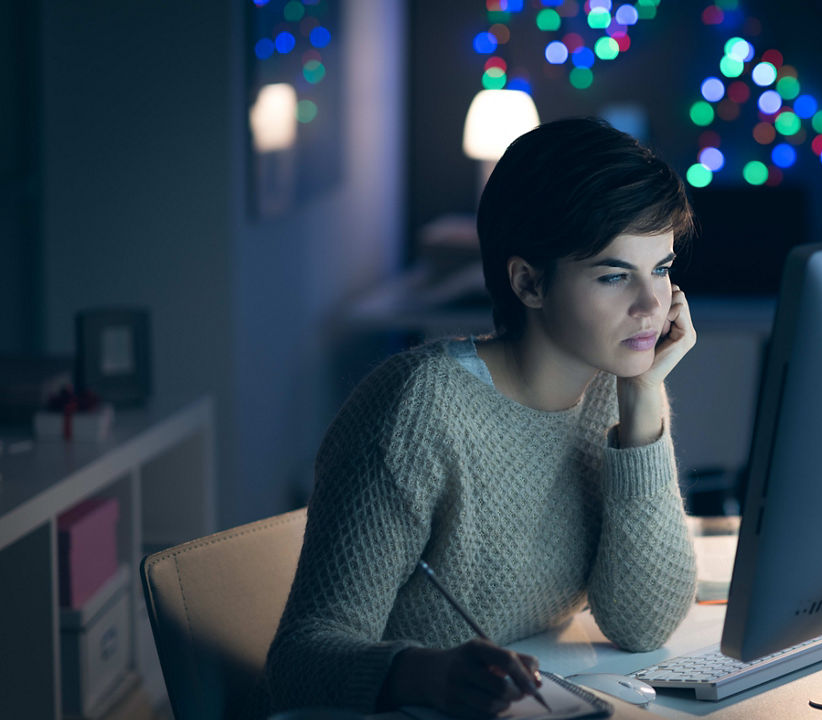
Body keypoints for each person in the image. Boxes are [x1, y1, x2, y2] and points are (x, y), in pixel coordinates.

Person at [264, 117, 699, 719]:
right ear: (528, 283)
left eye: (662, 269)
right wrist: (427, 674)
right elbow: (297, 664)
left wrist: (644, 398)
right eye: (613, 275)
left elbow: (642, 624)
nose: (652, 305)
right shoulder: (419, 408)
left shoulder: (616, 385)